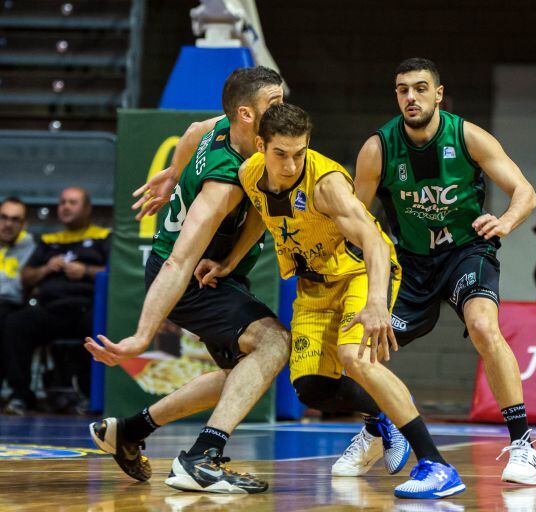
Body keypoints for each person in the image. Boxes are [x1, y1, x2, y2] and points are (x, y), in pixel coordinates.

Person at [199, 103, 465, 499]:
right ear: (260, 145)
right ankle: (383, 417)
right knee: (311, 388)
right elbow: (261, 213)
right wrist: (229, 261)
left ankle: (437, 466)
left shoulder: (326, 184)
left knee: (354, 358)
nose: (290, 165)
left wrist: (376, 302)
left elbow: (374, 240)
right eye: (280, 154)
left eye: (299, 153)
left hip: (360, 272)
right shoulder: (250, 173)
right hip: (313, 283)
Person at [84, 67, 291, 494]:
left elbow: (193, 129)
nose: (283, 108)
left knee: (240, 373)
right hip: (188, 276)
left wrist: (174, 172)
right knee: (273, 343)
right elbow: (179, 263)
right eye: (274, 103)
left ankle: (129, 431)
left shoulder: (220, 128)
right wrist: (142, 337)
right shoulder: (225, 181)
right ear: (246, 114)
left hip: (207, 271)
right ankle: (203, 458)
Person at [354, 57, 536, 485]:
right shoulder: (378, 149)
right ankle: (378, 427)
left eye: (420, 88)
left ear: (438, 93)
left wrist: (506, 221)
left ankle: (523, 444)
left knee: (483, 327)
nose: (411, 97)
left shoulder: (467, 136)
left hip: (465, 252)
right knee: (362, 348)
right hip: (411, 263)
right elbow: (354, 218)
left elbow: (525, 192)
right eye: (403, 89)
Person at [3, 188, 109, 415]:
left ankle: (91, 397)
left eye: (72, 202)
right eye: (62, 202)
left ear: (87, 209)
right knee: (15, 324)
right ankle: (20, 396)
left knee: (101, 327)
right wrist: (46, 268)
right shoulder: (48, 241)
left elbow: (115, 273)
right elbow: (26, 276)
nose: (66, 207)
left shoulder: (103, 237)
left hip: (87, 308)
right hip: (50, 309)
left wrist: (86, 270)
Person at [0, 197, 36, 399]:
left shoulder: (31, 247)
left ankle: (19, 394)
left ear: (23, 224)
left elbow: (21, 286)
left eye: (15, 219)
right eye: (3, 217)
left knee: (10, 323)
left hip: (15, 304)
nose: (7, 224)